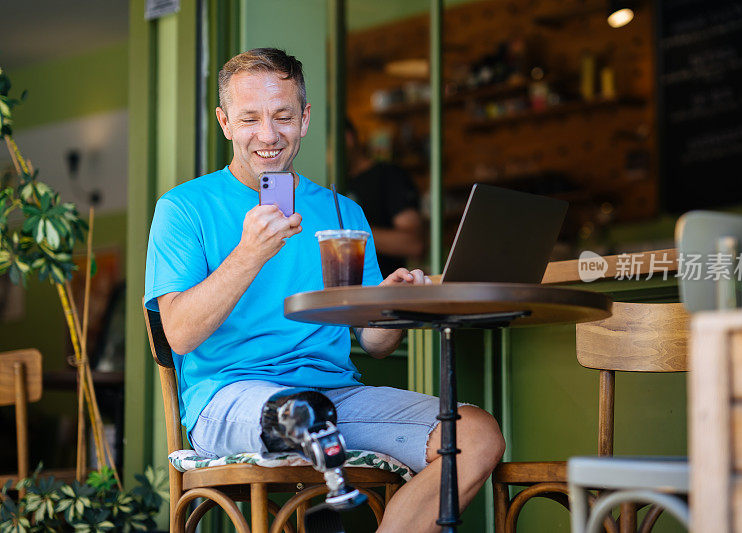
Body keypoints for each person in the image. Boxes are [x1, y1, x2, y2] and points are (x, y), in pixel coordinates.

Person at [144, 48, 504, 532]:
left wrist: (389, 305)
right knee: (305, 414)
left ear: (306, 118)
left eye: (283, 116)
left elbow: (373, 344)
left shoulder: (342, 212)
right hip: (230, 399)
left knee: (477, 436)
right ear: (225, 122)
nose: (268, 135)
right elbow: (180, 335)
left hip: (333, 398)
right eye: (250, 119)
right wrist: (249, 252)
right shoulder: (184, 208)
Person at [345, 120, 424, 275]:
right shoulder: (333, 184)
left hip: (388, 288)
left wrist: (351, 234)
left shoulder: (388, 176)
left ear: (348, 138)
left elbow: (414, 244)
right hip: (346, 293)